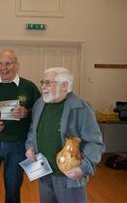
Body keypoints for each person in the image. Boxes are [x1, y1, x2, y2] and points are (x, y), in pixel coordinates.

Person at [25, 67, 105, 203]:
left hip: (68, 176)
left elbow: (95, 143)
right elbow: (33, 130)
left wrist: (83, 168)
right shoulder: (40, 103)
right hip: (44, 172)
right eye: (42, 82)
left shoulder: (81, 108)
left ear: (64, 85)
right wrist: (30, 146)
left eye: (48, 83)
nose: (43, 87)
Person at [0, 49, 41, 203]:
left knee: (13, 188)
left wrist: (26, 113)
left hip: (18, 145)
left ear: (16, 65)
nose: (4, 68)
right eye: (0, 64)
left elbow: (40, 111)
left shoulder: (28, 87)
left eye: (8, 64)